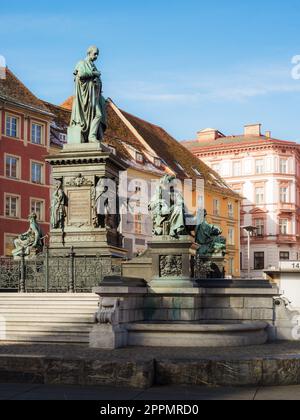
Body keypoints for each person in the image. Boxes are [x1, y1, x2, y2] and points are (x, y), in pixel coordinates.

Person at [70, 46, 107, 143]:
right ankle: (92, 136)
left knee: (98, 115)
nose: (96, 56)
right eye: (95, 53)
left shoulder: (93, 65)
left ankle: (92, 136)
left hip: (94, 95)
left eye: (97, 54)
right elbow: (81, 74)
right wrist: (94, 73)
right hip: (86, 95)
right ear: (89, 53)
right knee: (98, 114)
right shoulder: (82, 63)